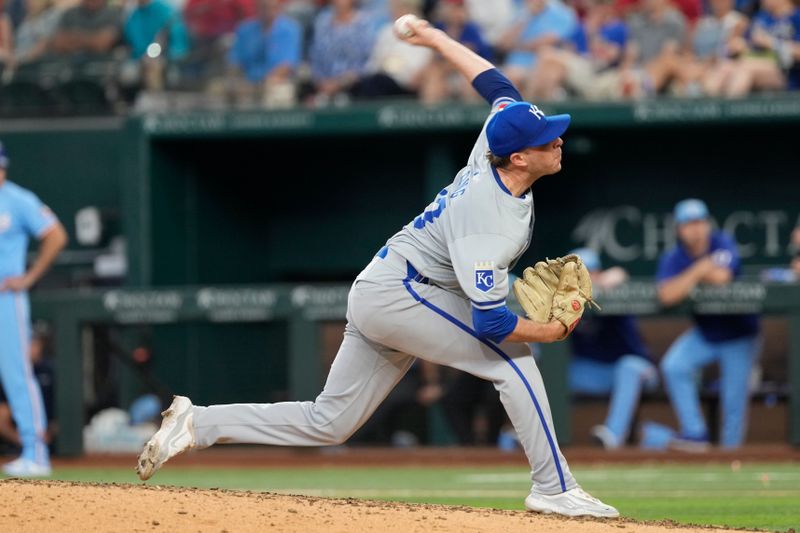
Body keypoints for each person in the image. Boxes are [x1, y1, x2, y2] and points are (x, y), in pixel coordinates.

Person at [136, 13, 619, 518]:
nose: (558, 140)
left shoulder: (494, 143)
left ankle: (198, 424)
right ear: (519, 159)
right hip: (403, 294)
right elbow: (492, 323)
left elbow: (496, 83)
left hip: (389, 285)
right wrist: (550, 330)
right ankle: (553, 486)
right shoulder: (487, 222)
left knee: (330, 421)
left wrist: (434, 38)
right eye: (547, 139)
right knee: (514, 362)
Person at [657, 198, 761, 451]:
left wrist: (692, 277)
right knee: (674, 366)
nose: (695, 228)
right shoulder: (675, 256)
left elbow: (722, 277)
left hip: (739, 333)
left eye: (699, 222)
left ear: (707, 224)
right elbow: (666, 295)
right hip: (706, 333)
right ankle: (695, 434)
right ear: (679, 229)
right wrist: (700, 268)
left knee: (733, 402)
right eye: (689, 224)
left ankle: (730, 459)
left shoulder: (722, 242)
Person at [0, 141, 68, 477]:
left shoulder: (17, 199)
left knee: (17, 375)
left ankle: (36, 453)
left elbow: (55, 235)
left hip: (5, 298)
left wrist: (28, 278)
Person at [566, 248, 658, 450]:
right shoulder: (564, 300)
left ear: (599, 273)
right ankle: (535, 434)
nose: (585, 278)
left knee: (628, 367)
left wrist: (616, 277)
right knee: (553, 373)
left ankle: (613, 437)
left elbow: (619, 275)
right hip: (596, 373)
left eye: (590, 272)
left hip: (638, 369)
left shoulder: (614, 290)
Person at [226, 0, 303, 108]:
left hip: (276, 83)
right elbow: (235, 61)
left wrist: (264, 84)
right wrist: (239, 82)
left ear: (278, 8)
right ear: (257, 8)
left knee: (277, 92)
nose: (268, 11)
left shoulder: (290, 29)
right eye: (263, 7)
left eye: (272, 7)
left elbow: (287, 65)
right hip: (247, 83)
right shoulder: (245, 30)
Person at [305, 0, 376, 107]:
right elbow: (315, 56)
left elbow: (369, 60)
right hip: (322, 85)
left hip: (355, 86)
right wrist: (321, 82)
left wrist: (342, 82)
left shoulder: (365, 22)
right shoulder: (322, 22)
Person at [0, 322, 57, 455]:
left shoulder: (50, 371)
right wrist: (22, 439)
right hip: (17, 439)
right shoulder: (10, 372)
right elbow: (2, 414)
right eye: (27, 343)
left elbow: (64, 412)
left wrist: (49, 433)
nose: (31, 348)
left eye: (34, 343)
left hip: (49, 435)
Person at [50, 0, 123, 57]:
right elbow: (59, 43)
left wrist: (73, 36)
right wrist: (93, 39)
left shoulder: (114, 14)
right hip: (69, 66)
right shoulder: (69, 14)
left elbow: (102, 44)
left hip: (103, 66)